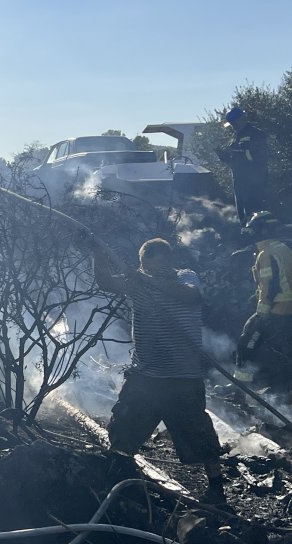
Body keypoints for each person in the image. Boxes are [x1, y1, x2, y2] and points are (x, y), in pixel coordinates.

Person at [92, 238, 226, 504]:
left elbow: (189, 294)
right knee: (124, 429)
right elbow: (106, 283)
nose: (154, 268)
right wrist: (96, 252)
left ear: (168, 259)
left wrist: (147, 280)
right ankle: (119, 481)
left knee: (199, 435)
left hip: (183, 377)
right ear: (144, 262)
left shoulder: (185, 276)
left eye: (158, 262)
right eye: (148, 265)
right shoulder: (138, 283)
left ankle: (216, 489)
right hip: (146, 377)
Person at [234, 211, 292, 386]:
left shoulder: (266, 253)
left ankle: (242, 388)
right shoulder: (284, 248)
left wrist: (261, 314)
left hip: (276, 309)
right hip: (287, 309)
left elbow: (270, 285)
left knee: (246, 342)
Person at [216, 107, 270, 225]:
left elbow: (261, 157)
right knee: (242, 210)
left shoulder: (256, 134)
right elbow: (233, 159)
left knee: (254, 210)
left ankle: (258, 235)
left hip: (254, 180)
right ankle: (246, 231)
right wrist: (223, 156)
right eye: (231, 124)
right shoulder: (235, 136)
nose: (233, 126)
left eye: (234, 123)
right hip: (239, 180)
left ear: (241, 119)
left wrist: (243, 151)